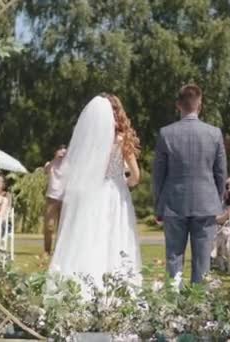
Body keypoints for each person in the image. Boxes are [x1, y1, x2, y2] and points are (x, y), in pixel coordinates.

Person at [48, 94, 142, 294]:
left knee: (91, 237)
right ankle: (117, 287)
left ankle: (85, 285)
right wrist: (125, 183)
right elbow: (136, 175)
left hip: (92, 195)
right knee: (115, 237)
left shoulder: (89, 143)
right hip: (116, 194)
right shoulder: (121, 139)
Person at [153, 84, 227, 284]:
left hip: (173, 202)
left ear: (179, 105)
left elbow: (158, 175)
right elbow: (221, 173)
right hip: (206, 203)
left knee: (174, 258)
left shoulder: (165, 134)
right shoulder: (214, 134)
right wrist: (217, 200)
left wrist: (158, 204)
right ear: (200, 105)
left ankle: (171, 304)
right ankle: (197, 306)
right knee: (203, 261)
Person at [43, 145, 66, 255]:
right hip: (52, 197)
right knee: (49, 225)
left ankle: (59, 251)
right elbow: (46, 170)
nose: (62, 153)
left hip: (65, 198)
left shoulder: (70, 165)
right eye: (60, 150)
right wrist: (55, 159)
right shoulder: (50, 164)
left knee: (62, 226)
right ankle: (47, 250)